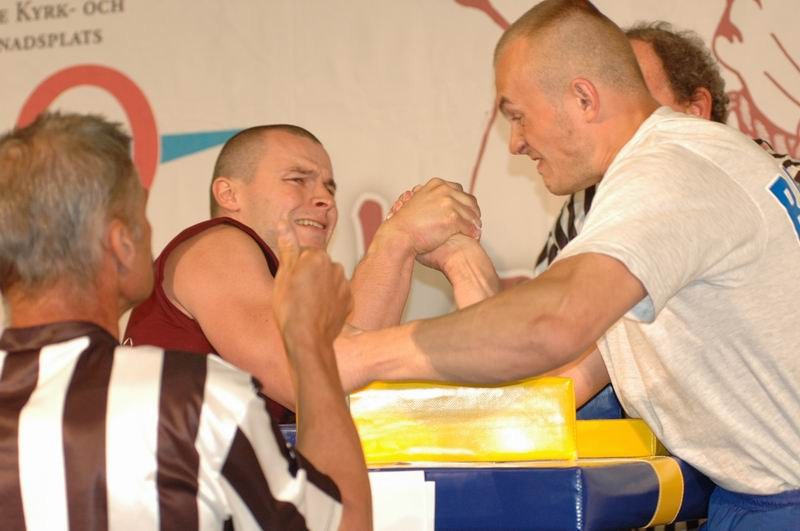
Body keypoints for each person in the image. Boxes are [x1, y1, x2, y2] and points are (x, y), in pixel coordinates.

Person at [340, 1, 800, 528]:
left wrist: (362, 354)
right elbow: (549, 380)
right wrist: (463, 261)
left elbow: (548, 324)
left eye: (516, 115)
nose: (514, 143)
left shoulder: (670, 174)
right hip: (760, 499)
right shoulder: (665, 184)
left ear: (583, 98)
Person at [0, 112, 371, 530]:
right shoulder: (195, 397)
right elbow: (338, 523)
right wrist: (307, 344)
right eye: (142, 218)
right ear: (122, 246)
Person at [124, 124, 483, 421]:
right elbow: (306, 383)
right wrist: (396, 237)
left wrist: (413, 247)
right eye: (298, 180)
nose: (325, 198)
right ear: (229, 194)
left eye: (329, 187)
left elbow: (348, 385)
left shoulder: (286, 289)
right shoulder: (216, 245)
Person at [534, 20, 800, 274]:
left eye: (634, 93)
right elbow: (548, 310)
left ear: (695, 110)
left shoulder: (788, 179)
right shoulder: (586, 202)